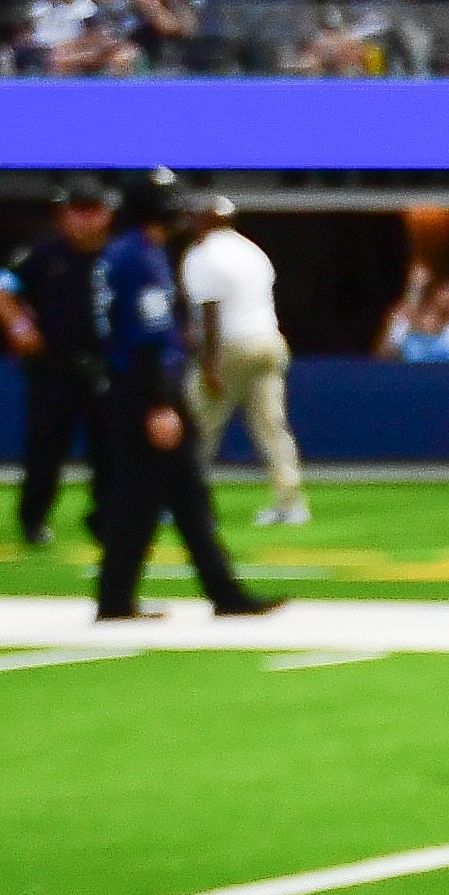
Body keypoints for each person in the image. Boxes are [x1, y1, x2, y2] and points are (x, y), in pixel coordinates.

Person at [62, 174, 283, 626]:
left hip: (134, 386)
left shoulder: (121, 253)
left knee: (184, 496)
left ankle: (220, 591)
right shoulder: (141, 257)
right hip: (147, 390)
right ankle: (121, 597)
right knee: (142, 500)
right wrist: (160, 404)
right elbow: (147, 337)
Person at [0, 191, 111, 556]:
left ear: (106, 215)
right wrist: (19, 326)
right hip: (53, 369)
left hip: (104, 367)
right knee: (45, 449)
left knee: (109, 449)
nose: (85, 220)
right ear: (65, 216)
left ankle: (105, 518)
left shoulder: (115, 255)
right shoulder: (42, 253)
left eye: (92, 211)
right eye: (77, 211)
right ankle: (33, 520)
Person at [174, 186, 304, 530]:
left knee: (197, 428)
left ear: (204, 219)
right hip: (268, 342)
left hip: (229, 347)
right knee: (272, 428)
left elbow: (210, 313)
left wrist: (208, 363)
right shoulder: (253, 251)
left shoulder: (202, 254)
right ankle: (290, 504)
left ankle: (185, 502)